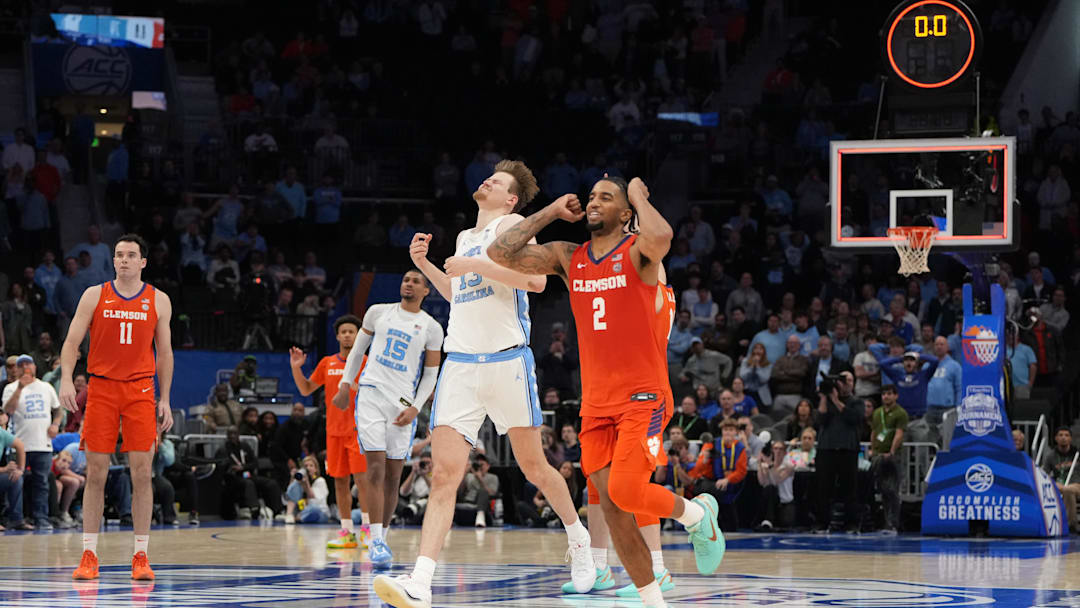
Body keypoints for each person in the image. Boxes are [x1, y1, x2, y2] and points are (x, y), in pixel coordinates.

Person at [485, 175, 724, 608]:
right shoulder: (567, 256)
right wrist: (551, 213)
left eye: (605, 197)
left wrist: (637, 194)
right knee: (613, 511)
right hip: (596, 405)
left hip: (645, 397)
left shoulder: (638, 253)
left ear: (625, 214)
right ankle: (655, 600)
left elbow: (663, 235)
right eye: (592, 196)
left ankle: (698, 515)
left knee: (629, 492)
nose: (594, 202)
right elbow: (500, 252)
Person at [374, 161, 597, 607]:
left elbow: (536, 281)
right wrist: (425, 265)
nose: (487, 181)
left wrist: (476, 262)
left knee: (535, 469)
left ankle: (578, 539)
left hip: (507, 361)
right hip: (460, 364)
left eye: (497, 182)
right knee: (443, 476)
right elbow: (461, 292)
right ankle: (421, 581)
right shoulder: (463, 238)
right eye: (489, 177)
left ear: (511, 199)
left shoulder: (513, 225)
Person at [58, 234, 174, 581]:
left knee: (142, 474)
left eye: (131, 255)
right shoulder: (94, 295)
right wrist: (66, 379)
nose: (123, 260)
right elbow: (71, 342)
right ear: (113, 260)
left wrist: (164, 398)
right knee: (95, 473)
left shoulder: (159, 300)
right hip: (102, 389)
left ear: (143, 262)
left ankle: (141, 555)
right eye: (118, 254)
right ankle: (89, 555)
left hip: (140, 391)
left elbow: (165, 353)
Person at [335, 270, 443, 568]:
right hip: (370, 394)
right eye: (406, 278)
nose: (408, 283)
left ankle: (383, 532)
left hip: (403, 404)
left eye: (416, 281)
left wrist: (416, 407)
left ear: (426, 291)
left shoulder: (432, 328)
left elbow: (431, 374)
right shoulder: (377, 313)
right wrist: (346, 383)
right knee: (375, 468)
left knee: (394, 475)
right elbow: (357, 351)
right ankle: (376, 540)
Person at [289, 314, 371, 550]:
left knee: (362, 481)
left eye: (351, 331)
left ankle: (367, 530)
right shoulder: (327, 363)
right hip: (334, 432)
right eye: (343, 331)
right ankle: (347, 532)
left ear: (359, 335)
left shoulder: (367, 362)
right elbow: (306, 389)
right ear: (337, 336)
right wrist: (296, 369)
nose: (347, 335)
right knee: (340, 482)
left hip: (359, 430)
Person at [2, 354, 62, 529]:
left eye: (29, 363)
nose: (26, 367)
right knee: (15, 480)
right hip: (19, 444)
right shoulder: (11, 388)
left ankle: (41, 519)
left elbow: (58, 411)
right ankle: (15, 518)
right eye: (22, 365)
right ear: (17, 369)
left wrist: (56, 425)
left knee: (41, 482)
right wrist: (20, 387)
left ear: (35, 367)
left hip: (42, 443)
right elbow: (8, 411)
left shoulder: (46, 387)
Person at [814, 372, 863, 533]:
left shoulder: (857, 402)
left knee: (850, 488)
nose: (845, 383)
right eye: (842, 380)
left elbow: (854, 419)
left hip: (847, 449)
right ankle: (822, 522)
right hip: (826, 448)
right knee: (822, 488)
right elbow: (820, 421)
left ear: (853, 383)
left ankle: (852, 523)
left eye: (848, 380)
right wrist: (824, 397)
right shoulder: (826, 402)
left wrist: (836, 400)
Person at [215, 427, 282, 520]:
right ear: (227, 435)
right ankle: (254, 509)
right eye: (230, 434)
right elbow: (221, 468)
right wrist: (232, 468)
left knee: (271, 483)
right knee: (248, 484)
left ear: (239, 434)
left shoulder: (245, 446)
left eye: (235, 433)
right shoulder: (223, 449)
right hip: (233, 479)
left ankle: (277, 511)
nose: (232, 436)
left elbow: (255, 463)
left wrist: (243, 467)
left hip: (248, 474)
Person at [869, 385, 908, 534]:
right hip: (879, 455)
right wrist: (873, 449)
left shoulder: (900, 413)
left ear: (896, 396)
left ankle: (893, 523)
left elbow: (899, 433)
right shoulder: (877, 412)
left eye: (889, 394)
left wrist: (892, 451)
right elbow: (874, 431)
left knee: (892, 489)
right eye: (884, 394)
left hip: (893, 456)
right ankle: (886, 522)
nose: (886, 396)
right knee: (882, 490)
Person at [1041, 427, 1079, 534]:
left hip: (1077, 485)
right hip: (1059, 485)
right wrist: (1055, 483)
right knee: (1065, 489)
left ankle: (1071, 525)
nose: (1063, 438)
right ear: (1056, 438)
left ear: (1070, 439)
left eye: (1066, 435)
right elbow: (1044, 474)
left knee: (1068, 490)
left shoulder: (1077, 454)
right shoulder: (1051, 456)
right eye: (1061, 435)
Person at [0, 409, 30, 530]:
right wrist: (5, 469)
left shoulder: (2, 433)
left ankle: (16, 519)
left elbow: (20, 445)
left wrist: (20, 469)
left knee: (15, 478)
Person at [285, 455, 330, 523]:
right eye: (306, 466)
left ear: (316, 469)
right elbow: (290, 494)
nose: (308, 468)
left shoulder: (320, 481)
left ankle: (298, 517)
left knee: (314, 510)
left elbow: (313, 498)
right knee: (296, 485)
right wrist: (293, 478)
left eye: (311, 466)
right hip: (304, 510)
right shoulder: (300, 482)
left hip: (320, 512)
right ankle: (289, 515)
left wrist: (306, 483)